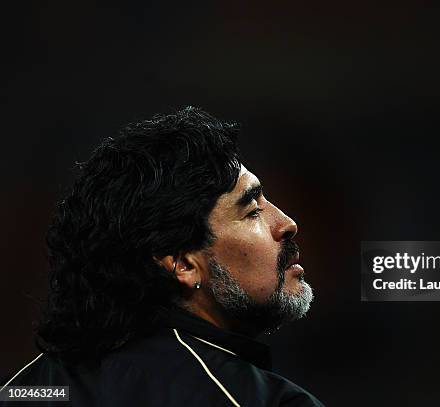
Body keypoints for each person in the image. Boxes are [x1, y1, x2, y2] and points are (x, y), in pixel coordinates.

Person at [0, 107, 323, 406]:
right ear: (183, 263)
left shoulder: (23, 390)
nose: (286, 224)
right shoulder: (257, 400)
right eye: (252, 211)